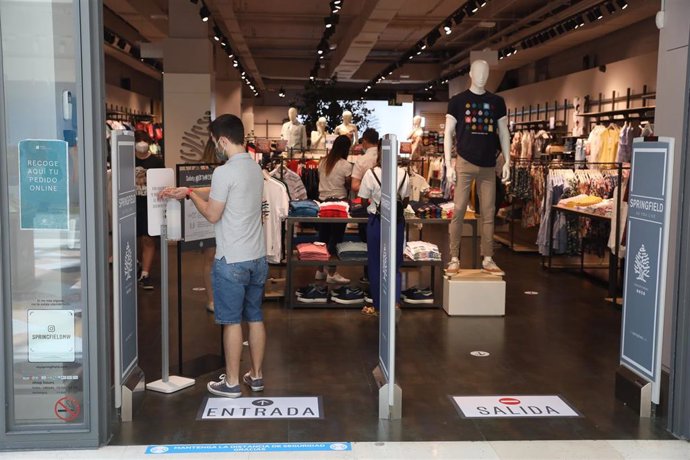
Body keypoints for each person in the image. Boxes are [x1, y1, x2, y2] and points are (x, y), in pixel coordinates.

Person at [160, 114, 267, 398]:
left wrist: (191, 198)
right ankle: (256, 377)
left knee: (231, 322)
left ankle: (231, 382)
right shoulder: (255, 168)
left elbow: (211, 213)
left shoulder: (223, 172)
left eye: (213, 142)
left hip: (231, 260)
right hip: (257, 258)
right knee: (255, 318)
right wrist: (192, 189)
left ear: (221, 140)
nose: (214, 148)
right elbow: (227, 191)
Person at [444, 59, 510, 276]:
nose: (482, 75)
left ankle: (488, 257)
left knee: (489, 212)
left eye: (486, 71)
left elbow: (503, 132)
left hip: (488, 165)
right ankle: (454, 257)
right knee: (459, 211)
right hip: (464, 161)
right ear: (471, 73)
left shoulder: (497, 101)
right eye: (478, 71)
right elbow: (448, 133)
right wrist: (447, 164)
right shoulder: (457, 101)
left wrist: (508, 160)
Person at [358, 141, 410, 316]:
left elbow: (364, 200)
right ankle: (394, 303)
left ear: (380, 153)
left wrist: (377, 201)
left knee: (375, 264)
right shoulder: (403, 174)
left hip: (377, 222)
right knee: (394, 264)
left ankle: (379, 306)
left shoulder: (371, 174)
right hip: (397, 222)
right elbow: (405, 201)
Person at [316, 135, 353, 283]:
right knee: (336, 239)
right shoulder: (346, 165)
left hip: (323, 203)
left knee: (322, 237)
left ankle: (319, 271)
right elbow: (349, 185)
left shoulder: (323, 162)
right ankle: (332, 273)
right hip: (339, 204)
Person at [134, 130, 164, 290]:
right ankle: (137, 265)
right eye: (138, 141)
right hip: (130, 205)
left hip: (149, 205)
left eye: (143, 141)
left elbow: (163, 182)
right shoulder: (126, 160)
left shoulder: (157, 162)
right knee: (132, 238)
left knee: (148, 238)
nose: (141, 144)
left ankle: (145, 273)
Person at [350, 128, 380, 283]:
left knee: (368, 241)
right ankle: (383, 276)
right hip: (388, 206)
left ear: (366, 141)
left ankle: (369, 275)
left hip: (367, 205)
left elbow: (355, 185)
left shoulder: (361, 160)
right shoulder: (388, 158)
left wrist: (369, 186)